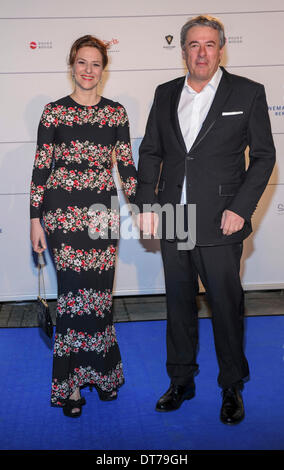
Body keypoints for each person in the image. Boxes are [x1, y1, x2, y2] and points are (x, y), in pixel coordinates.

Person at [135, 15, 275, 424]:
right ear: (183, 51)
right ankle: (182, 380)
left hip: (220, 219)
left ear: (221, 48)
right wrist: (147, 205)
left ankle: (232, 386)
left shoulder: (247, 93)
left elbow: (264, 157)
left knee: (226, 305)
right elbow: (151, 153)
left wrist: (240, 208)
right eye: (194, 44)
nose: (201, 52)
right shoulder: (164, 95)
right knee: (178, 304)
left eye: (209, 44)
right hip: (173, 218)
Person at [30, 35, 137, 417]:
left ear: (103, 69)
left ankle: (104, 376)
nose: (88, 70)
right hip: (62, 215)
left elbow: (126, 167)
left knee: (100, 298)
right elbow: (41, 168)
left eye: (95, 64)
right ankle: (72, 386)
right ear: (71, 65)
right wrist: (34, 219)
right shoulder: (53, 113)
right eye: (81, 62)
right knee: (74, 300)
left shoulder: (116, 113)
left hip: (100, 215)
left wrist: (140, 208)